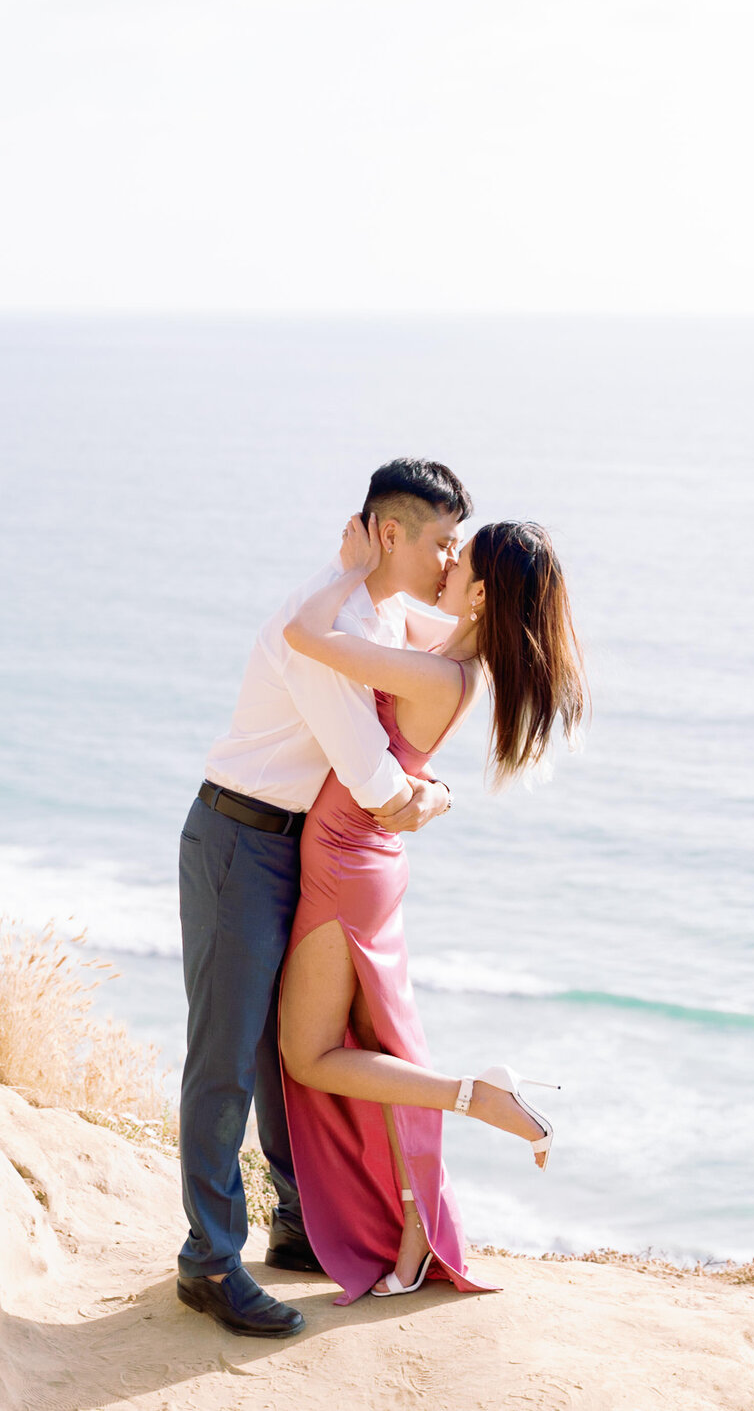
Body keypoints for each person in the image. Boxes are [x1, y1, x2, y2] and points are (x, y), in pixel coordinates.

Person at [175, 458, 472, 1339]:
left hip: (290, 846)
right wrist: (432, 796)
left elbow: (443, 626)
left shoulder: (375, 607)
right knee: (226, 1055)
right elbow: (375, 778)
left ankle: (298, 1221)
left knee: (278, 1053)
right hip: (239, 838)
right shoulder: (335, 621)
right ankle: (210, 1260)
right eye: (441, 542)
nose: (450, 559)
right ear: (390, 534)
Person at [278, 510, 586, 1304]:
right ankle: (415, 1221)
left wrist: (348, 565)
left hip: (346, 866)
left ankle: (472, 1095)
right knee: (374, 1044)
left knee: (311, 1054)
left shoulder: (441, 674)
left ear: (480, 592)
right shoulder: (447, 652)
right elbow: (396, 615)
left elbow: (308, 633)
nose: (443, 561)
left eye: (459, 557)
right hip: (364, 861)